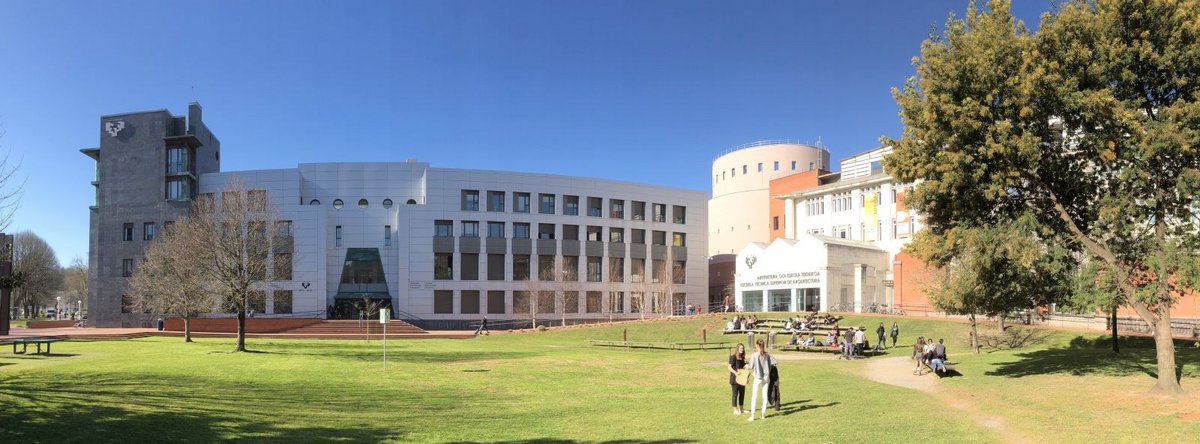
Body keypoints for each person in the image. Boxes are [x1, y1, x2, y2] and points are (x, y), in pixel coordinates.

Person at [747, 339, 774, 421]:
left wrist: (746, 365)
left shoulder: (754, 355)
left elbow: (750, 366)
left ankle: (752, 415)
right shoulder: (767, 355)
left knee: (754, 396)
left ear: (757, 345)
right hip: (766, 378)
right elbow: (773, 364)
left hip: (758, 378)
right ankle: (763, 414)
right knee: (764, 396)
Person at [728, 343, 748, 415]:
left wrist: (747, 366)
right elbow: (729, 367)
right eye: (740, 348)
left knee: (742, 394)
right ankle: (735, 410)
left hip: (742, 379)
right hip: (734, 379)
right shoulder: (733, 357)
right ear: (737, 349)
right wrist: (735, 373)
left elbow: (743, 366)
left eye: (742, 348)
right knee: (735, 394)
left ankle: (741, 409)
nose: (742, 350)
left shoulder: (742, 358)